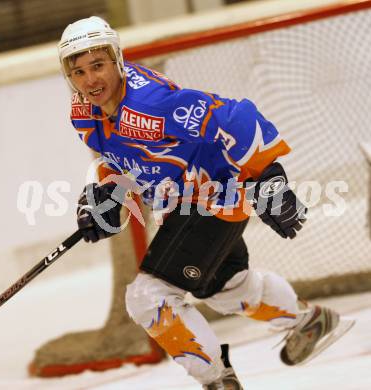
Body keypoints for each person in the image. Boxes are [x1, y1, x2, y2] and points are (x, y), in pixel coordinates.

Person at [58, 16, 354, 390]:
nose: (90, 80)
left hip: (213, 195)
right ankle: (309, 322)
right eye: (79, 71)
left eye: (98, 65)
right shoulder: (83, 111)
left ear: (117, 60)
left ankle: (218, 382)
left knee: (148, 298)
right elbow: (113, 159)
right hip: (183, 203)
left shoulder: (152, 104)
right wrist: (101, 194)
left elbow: (234, 116)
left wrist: (270, 177)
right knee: (226, 289)